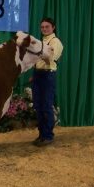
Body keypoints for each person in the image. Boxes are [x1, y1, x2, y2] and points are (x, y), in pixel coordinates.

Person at [32, 17, 63, 147]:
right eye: (42, 27)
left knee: (46, 106)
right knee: (38, 106)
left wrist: (42, 56)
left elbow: (51, 60)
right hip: (38, 74)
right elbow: (38, 59)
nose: (44, 29)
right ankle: (41, 135)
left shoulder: (56, 42)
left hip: (48, 75)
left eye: (47, 27)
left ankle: (48, 135)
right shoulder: (42, 42)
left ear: (53, 27)